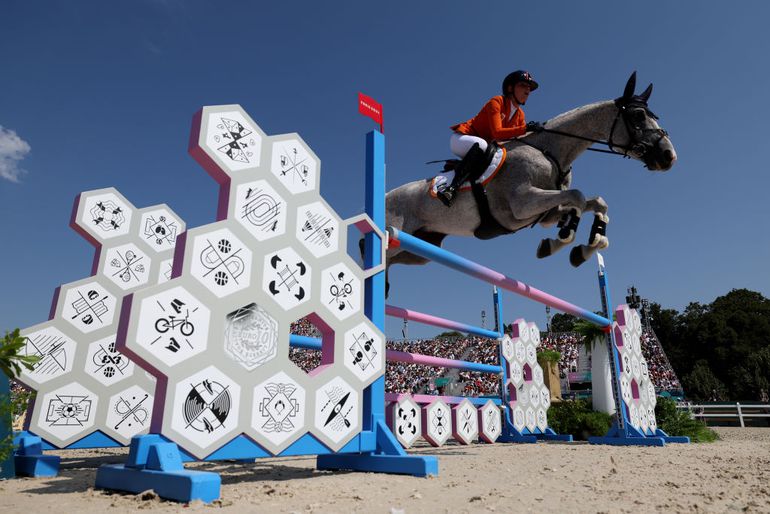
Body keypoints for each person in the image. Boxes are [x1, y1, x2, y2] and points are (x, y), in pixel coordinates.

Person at [437, 70, 543, 206]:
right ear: (510, 88)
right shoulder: (497, 101)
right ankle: (451, 189)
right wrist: (526, 128)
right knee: (482, 145)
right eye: (523, 85)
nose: (528, 90)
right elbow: (498, 133)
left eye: (529, 88)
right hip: (462, 138)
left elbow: (517, 139)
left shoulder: (520, 115)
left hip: (485, 148)